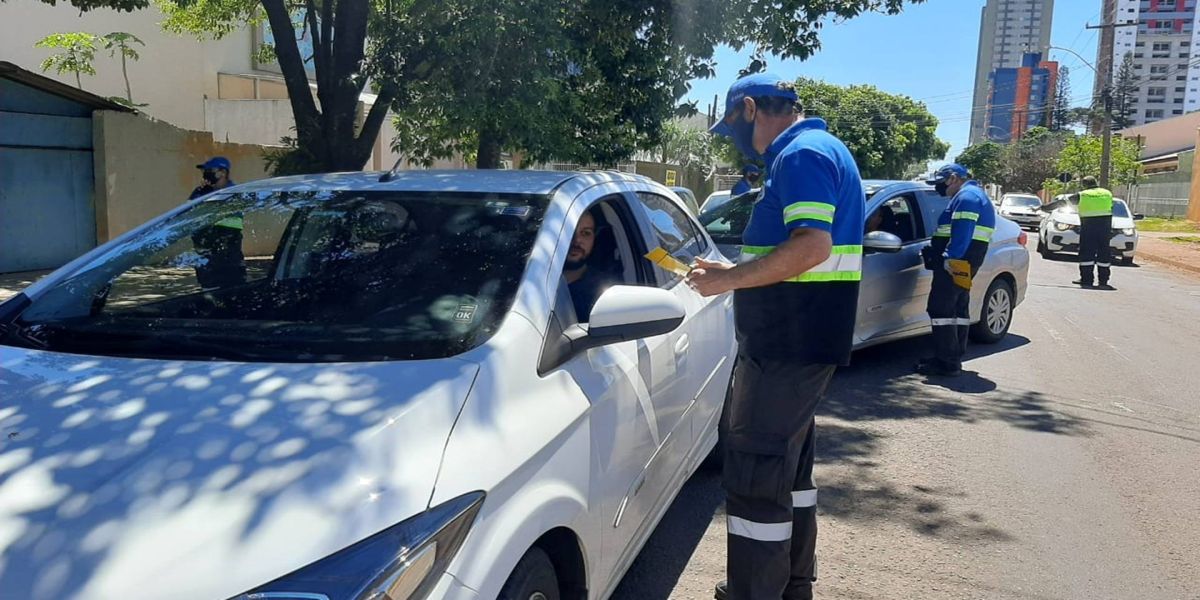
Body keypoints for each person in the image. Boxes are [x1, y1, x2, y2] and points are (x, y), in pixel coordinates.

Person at [687, 72, 865, 600]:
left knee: (756, 476)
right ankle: (791, 584)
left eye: (732, 126)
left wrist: (725, 281)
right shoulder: (818, 149)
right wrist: (732, 269)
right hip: (799, 343)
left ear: (749, 110)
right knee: (790, 476)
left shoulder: (801, 153)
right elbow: (793, 249)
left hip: (788, 345)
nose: (736, 140)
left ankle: (754, 592)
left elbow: (812, 246)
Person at [916, 164, 996, 377]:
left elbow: (962, 235)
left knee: (940, 308)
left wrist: (947, 259)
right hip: (967, 258)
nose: (939, 189)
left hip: (958, 260)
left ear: (953, 178)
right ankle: (953, 355)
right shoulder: (973, 195)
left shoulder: (967, 197)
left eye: (941, 183)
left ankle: (946, 362)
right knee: (958, 307)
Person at [189, 157, 246, 289]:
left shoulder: (233, 192)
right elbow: (189, 214)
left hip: (227, 254)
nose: (205, 174)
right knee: (208, 292)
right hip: (204, 254)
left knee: (231, 290)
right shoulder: (200, 192)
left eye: (210, 170)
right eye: (205, 171)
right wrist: (202, 194)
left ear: (222, 172)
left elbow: (229, 219)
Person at [565, 206, 620, 320]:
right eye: (568, 231)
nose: (577, 240)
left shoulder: (605, 293)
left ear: (594, 238)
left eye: (585, 233)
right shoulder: (527, 280)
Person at [1071, 176, 1115, 289]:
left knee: (1087, 254)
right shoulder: (1107, 193)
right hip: (1105, 230)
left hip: (1088, 230)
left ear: (1084, 185)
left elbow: (1061, 203)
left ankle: (1086, 280)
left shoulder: (1082, 195)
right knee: (1104, 255)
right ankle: (1103, 282)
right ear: (1096, 182)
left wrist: (1043, 208)